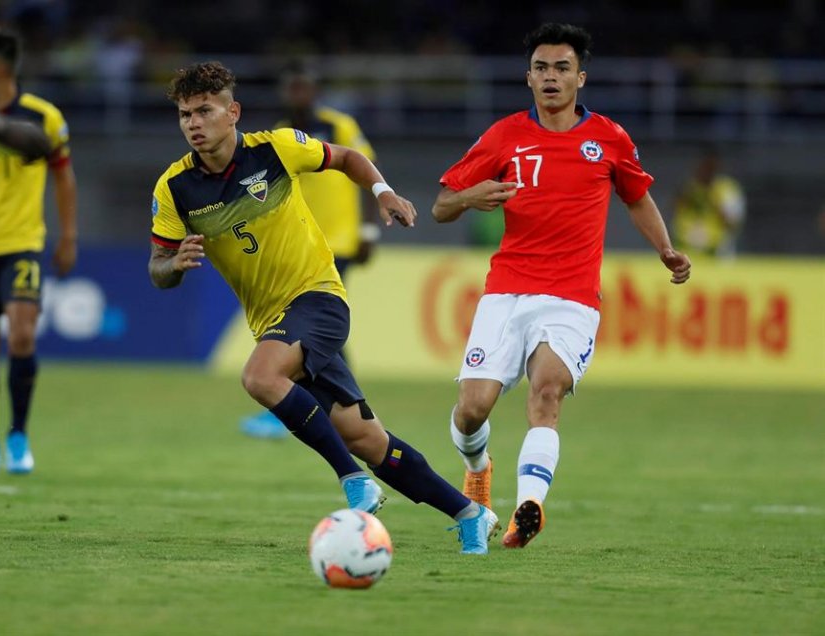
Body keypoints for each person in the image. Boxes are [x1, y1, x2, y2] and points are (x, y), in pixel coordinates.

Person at [149, 61, 498, 554]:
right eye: (185, 114)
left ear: (233, 113)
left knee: (260, 378)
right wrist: (176, 264)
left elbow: (349, 157)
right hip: (271, 321)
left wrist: (383, 193)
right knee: (367, 439)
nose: (193, 123)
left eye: (204, 111)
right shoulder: (174, 188)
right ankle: (470, 513)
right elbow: (157, 269)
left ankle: (353, 483)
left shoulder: (277, 148)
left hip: (319, 297)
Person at [431, 23, 691, 549]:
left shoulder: (608, 139)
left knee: (547, 393)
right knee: (472, 409)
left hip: (572, 297)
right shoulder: (504, 136)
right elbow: (440, 205)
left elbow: (637, 196)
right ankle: (478, 468)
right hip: (506, 291)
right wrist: (469, 198)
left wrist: (665, 249)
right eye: (543, 68)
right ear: (528, 78)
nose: (552, 77)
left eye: (563, 68)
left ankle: (529, 505)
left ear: (581, 78)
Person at [240, 60, 380, 439]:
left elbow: (365, 167)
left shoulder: (340, 126)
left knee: (314, 330)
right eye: (292, 87)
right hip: (298, 246)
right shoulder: (277, 137)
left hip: (336, 241)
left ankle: (310, 403)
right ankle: (321, 404)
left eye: (303, 86)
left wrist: (369, 230)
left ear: (316, 91)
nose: (297, 94)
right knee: (309, 332)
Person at [0, 30, 78, 475]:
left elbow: (64, 176)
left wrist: (68, 236)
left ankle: (18, 435)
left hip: (22, 242)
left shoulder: (43, 116)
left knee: (24, 334)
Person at [672, 146, 746, 258]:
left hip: (716, 254)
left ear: (717, 167)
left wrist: (713, 198)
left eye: (710, 167)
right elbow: (674, 212)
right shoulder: (688, 188)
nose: (706, 171)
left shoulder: (727, 189)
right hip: (685, 252)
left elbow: (732, 224)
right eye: (703, 166)